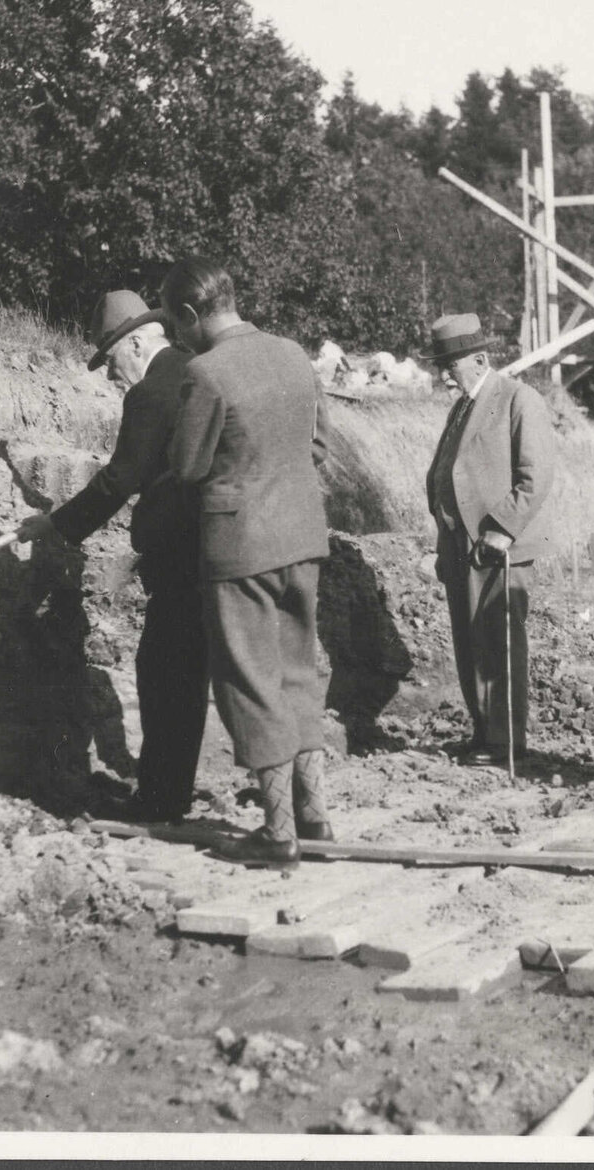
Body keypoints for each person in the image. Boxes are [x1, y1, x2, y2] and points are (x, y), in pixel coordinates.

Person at [14, 290, 208, 824]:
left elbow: (120, 478)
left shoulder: (152, 392)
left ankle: (160, 800)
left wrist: (57, 523)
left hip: (182, 556)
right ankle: (174, 793)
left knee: (164, 672)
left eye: (112, 357)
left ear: (140, 341)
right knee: (188, 676)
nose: (108, 373)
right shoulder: (196, 370)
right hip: (216, 548)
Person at [164, 256, 332, 867]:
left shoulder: (204, 373)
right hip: (303, 535)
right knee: (297, 672)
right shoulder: (293, 353)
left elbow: (186, 467)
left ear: (189, 314)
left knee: (249, 680)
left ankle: (278, 832)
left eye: (176, 324)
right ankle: (315, 816)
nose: (176, 337)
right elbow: (318, 442)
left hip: (241, 546)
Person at [422, 313, 558, 763]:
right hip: (460, 544)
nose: (443, 375)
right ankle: (484, 732)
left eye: (450, 364)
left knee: (497, 641)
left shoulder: (519, 399)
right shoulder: (460, 406)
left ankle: (505, 740)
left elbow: (535, 476)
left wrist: (501, 529)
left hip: (497, 546)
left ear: (479, 359)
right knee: (469, 641)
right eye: (440, 365)